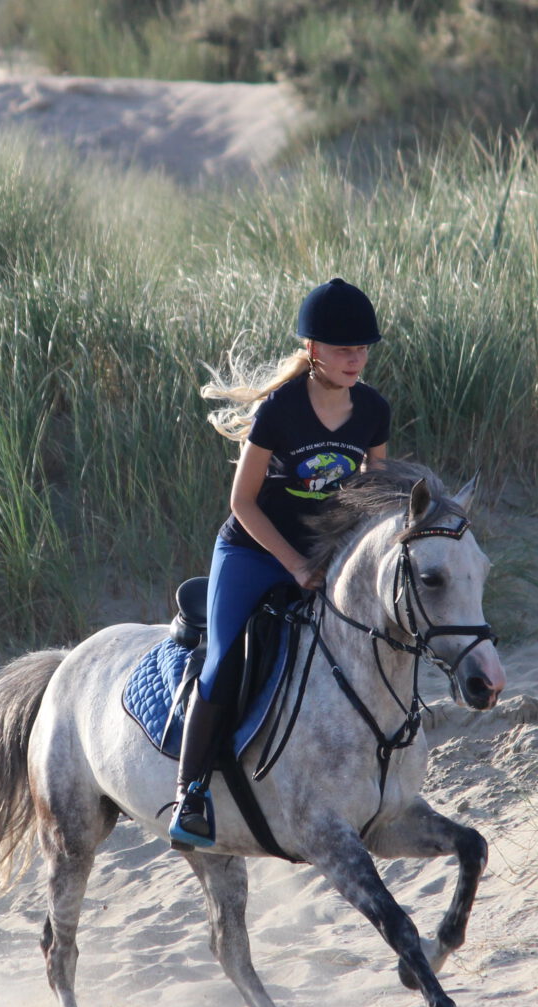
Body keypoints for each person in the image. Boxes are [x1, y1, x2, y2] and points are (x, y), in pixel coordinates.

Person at [169, 278, 392, 848]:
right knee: (220, 663)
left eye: (363, 349)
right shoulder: (280, 412)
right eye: (343, 349)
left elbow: (376, 495)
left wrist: (352, 561)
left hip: (325, 555)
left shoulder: (372, 411)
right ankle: (191, 795)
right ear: (314, 350)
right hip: (253, 550)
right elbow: (241, 503)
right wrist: (294, 565)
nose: (355, 360)